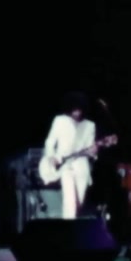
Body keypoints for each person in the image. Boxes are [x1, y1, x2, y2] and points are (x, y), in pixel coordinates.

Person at [43, 91, 98, 220]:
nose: (77, 113)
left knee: (79, 204)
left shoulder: (90, 125)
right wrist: (51, 156)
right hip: (64, 166)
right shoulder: (60, 120)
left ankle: (72, 225)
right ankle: (67, 229)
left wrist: (94, 152)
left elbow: (90, 149)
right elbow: (50, 141)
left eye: (79, 110)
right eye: (74, 109)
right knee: (70, 202)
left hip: (81, 167)